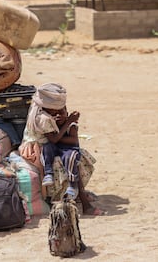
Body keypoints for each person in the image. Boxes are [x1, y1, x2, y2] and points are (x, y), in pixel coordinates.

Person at [19, 83, 105, 215]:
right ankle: (84, 203)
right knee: (72, 161)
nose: (58, 113)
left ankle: (77, 194)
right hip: (38, 147)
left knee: (73, 156)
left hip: (50, 143)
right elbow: (53, 139)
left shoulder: (41, 109)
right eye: (56, 110)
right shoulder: (43, 118)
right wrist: (68, 121)